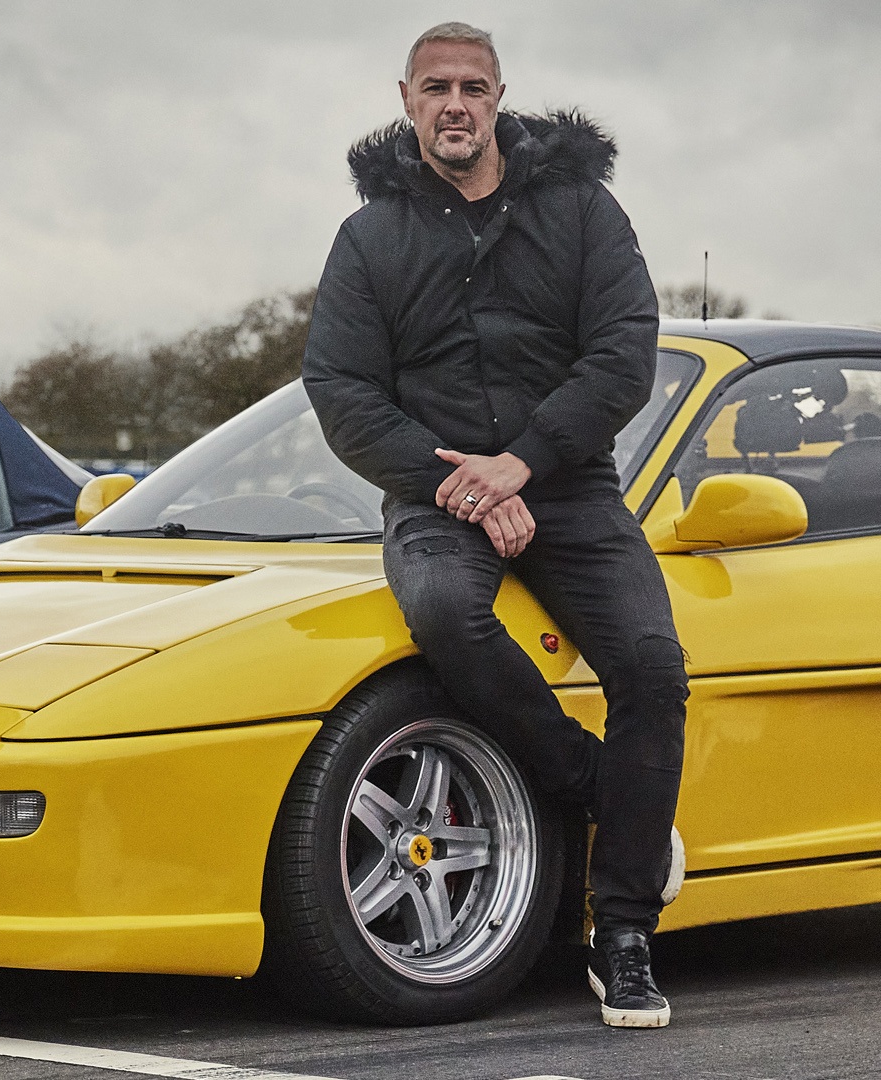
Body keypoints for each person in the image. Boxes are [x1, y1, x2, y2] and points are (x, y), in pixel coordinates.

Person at [302, 24, 687, 1028]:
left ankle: (625, 932)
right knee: (442, 609)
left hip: (571, 485)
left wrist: (522, 463)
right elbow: (340, 389)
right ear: (406, 100)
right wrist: (467, 488)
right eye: (436, 88)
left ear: (500, 97)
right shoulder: (369, 239)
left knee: (652, 668)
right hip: (434, 495)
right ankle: (593, 783)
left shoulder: (582, 210)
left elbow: (623, 354)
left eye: (473, 87)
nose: (455, 105)